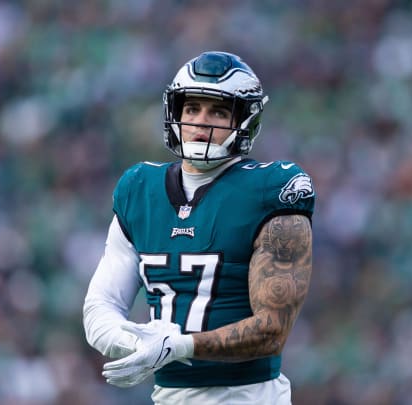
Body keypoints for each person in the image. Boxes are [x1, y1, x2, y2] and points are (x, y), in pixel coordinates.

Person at [83, 51, 315, 404]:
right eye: (191, 109)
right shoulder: (139, 187)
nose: (200, 122)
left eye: (218, 111)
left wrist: (179, 346)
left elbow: (271, 330)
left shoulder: (272, 189)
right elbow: (101, 305)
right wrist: (143, 343)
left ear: (246, 120)